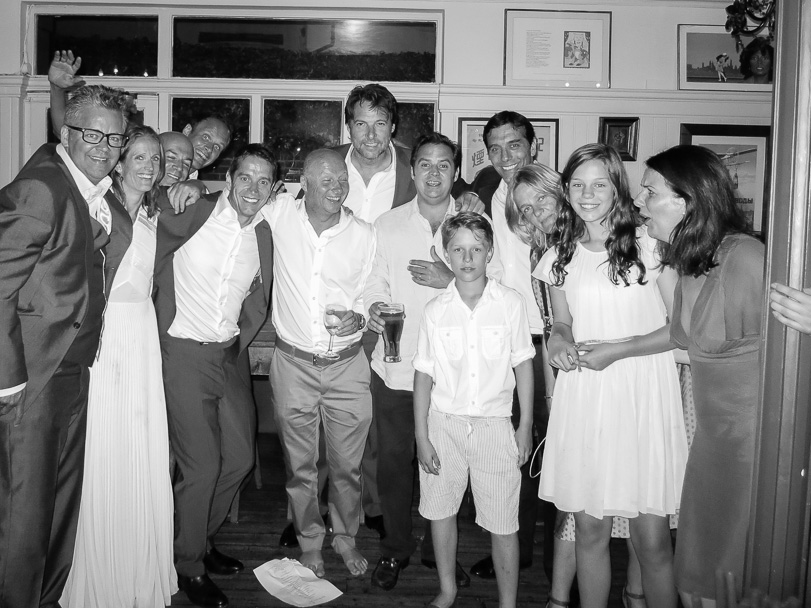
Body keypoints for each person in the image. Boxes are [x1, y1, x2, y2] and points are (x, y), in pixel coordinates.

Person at [537, 143, 687, 608]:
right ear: (565, 190)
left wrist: (617, 351)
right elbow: (562, 323)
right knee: (589, 530)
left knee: (652, 539)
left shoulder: (651, 245)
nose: (588, 194)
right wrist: (557, 341)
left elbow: (681, 329)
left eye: (599, 184)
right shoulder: (558, 254)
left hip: (643, 396)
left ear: (618, 188)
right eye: (578, 184)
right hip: (587, 396)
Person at [0, 84, 129, 608]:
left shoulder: (90, 189)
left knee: (59, 507)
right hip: (33, 379)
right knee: (24, 516)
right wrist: (9, 382)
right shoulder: (42, 187)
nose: (104, 147)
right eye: (92, 134)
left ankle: (46, 599)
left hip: (74, 373)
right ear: (65, 132)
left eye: (114, 138)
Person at [365, 132, 500, 592]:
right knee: (394, 465)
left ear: (455, 171)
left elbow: (498, 290)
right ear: (412, 170)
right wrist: (375, 306)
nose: (434, 174)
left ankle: (437, 552)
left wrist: (450, 280)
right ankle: (395, 548)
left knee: (445, 467)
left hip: (457, 373)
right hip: (397, 366)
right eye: (425, 164)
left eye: (444, 165)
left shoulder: (476, 223)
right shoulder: (387, 225)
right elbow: (374, 282)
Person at [635, 144, 765, 607]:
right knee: (694, 582)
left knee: (733, 581)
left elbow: (789, 352)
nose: (639, 201)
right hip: (711, 445)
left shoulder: (744, 257)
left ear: (687, 201)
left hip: (752, 449)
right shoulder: (691, 263)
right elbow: (688, 347)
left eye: (650, 192)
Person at [153, 144, 275, 608]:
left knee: (240, 459)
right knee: (201, 467)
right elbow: (142, 203)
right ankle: (187, 566)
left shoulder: (265, 232)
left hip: (228, 355)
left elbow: (259, 296)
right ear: (228, 178)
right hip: (182, 353)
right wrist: (183, 184)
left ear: (273, 190)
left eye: (264, 181)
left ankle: (197, 540)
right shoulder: (192, 209)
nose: (253, 188)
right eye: (245, 177)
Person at [60, 125, 177, 608]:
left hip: (142, 335)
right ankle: (98, 570)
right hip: (104, 336)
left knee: (141, 444)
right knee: (103, 444)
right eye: (141, 157)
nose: (150, 166)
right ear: (120, 162)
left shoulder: (158, 212)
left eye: (156, 159)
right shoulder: (96, 208)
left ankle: (138, 565)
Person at [414, 212, 535, 608]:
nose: (467, 259)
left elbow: (523, 365)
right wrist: (421, 436)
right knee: (441, 510)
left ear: (490, 252)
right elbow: (423, 374)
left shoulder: (510, 304)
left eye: (476, 249)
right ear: (446, 254)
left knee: (503, 520)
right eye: (458, 250)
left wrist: (524, 425)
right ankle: (447, 589)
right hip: (443, 424)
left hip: (494, 426)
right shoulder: (435, 310)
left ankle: (507, 603)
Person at [266, 149, 376, 579]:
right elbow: (235, 203)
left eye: (342, 180)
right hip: (293, 363)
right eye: (326, 180)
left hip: (347, 364)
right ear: (305, 184)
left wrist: (359, 316)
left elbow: (370, 291)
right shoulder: (279, 213)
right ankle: (310, 540)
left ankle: (345, 537)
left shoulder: (364, 233)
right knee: (300, 466)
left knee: (348, 465)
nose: (337, 188)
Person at [468, 110, 553, 583]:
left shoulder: (558, 194)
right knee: (517, 450)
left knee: (558, 451)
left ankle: (561, 560)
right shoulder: (490, 195)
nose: (504, 156)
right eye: (495, 149)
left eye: (514, 145)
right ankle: (516, 552)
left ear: (534, 146)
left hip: (560, 340)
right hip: (515, 344)